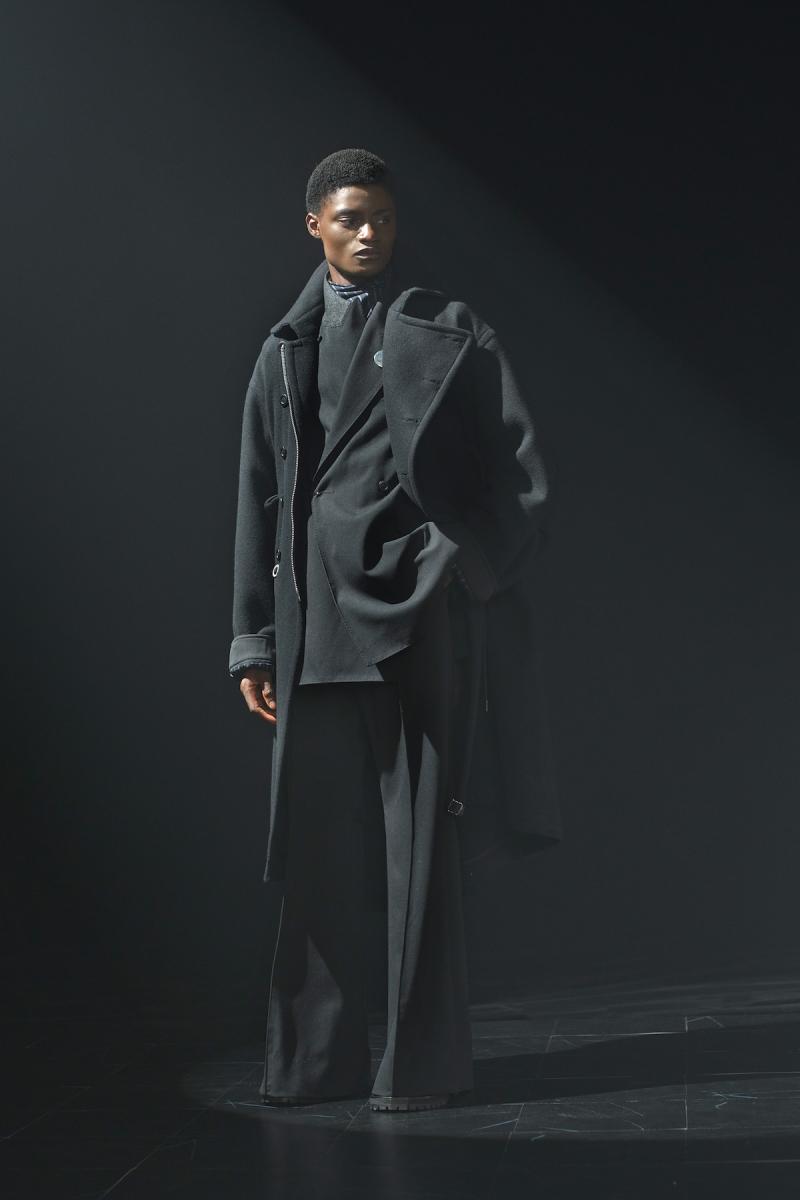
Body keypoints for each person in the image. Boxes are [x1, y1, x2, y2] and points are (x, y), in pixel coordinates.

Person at [228, 148, 559, 1112]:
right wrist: (254, 640)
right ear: (315, 226)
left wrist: (462, 568)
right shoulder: (283, 349)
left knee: (423, 862)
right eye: (350, 218)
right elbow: (258, 498)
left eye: (380, 216)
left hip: (417, 623)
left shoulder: (447, 329)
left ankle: (420, 1069)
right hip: (314, 630)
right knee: (318, 857)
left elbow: (522, 477)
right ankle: (312, 1066)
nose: (369, 232)